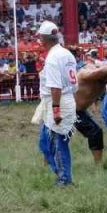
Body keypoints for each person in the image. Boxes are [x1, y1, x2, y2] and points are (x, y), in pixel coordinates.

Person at [33, 22, 78, 186]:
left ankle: (64, 179)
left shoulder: (52, 58)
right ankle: (62, 176)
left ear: (45, 38)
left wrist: (56, 110)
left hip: (57, 101)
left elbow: (55, 86)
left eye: (40, 37)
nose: (39, 40)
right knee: (47, 142)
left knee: (57, 143)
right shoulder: (66, 54)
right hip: (66, 98)